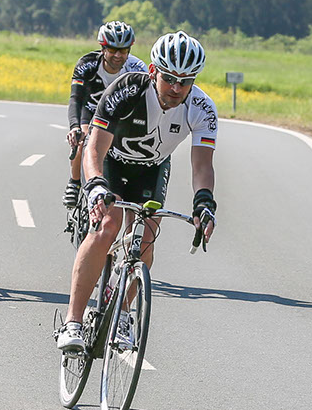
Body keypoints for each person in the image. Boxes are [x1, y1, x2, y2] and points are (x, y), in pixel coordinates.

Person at [57, 31, 218, 353]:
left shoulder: (202, 108)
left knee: (145, 239)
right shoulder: (127, 89)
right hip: (112, 162)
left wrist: (204, 203)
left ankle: (123, 312)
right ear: (153, 71)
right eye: (169, 78)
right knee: (107, 226)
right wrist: (95, 184)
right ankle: (72, 322)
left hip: (152, 169)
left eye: (185, 81)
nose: (176, 88)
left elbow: (202, 166)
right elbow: (94, 148)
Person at [62, 21, 147, 208]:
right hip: (91, 110)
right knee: (83, 139)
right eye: (112, 50)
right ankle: (74, 182)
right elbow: (76, 98)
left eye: (123, 51)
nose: (118, 55)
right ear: (103, 48)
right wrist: (74, 127)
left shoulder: (138, 68)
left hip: (120, 115)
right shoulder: (87, 64)